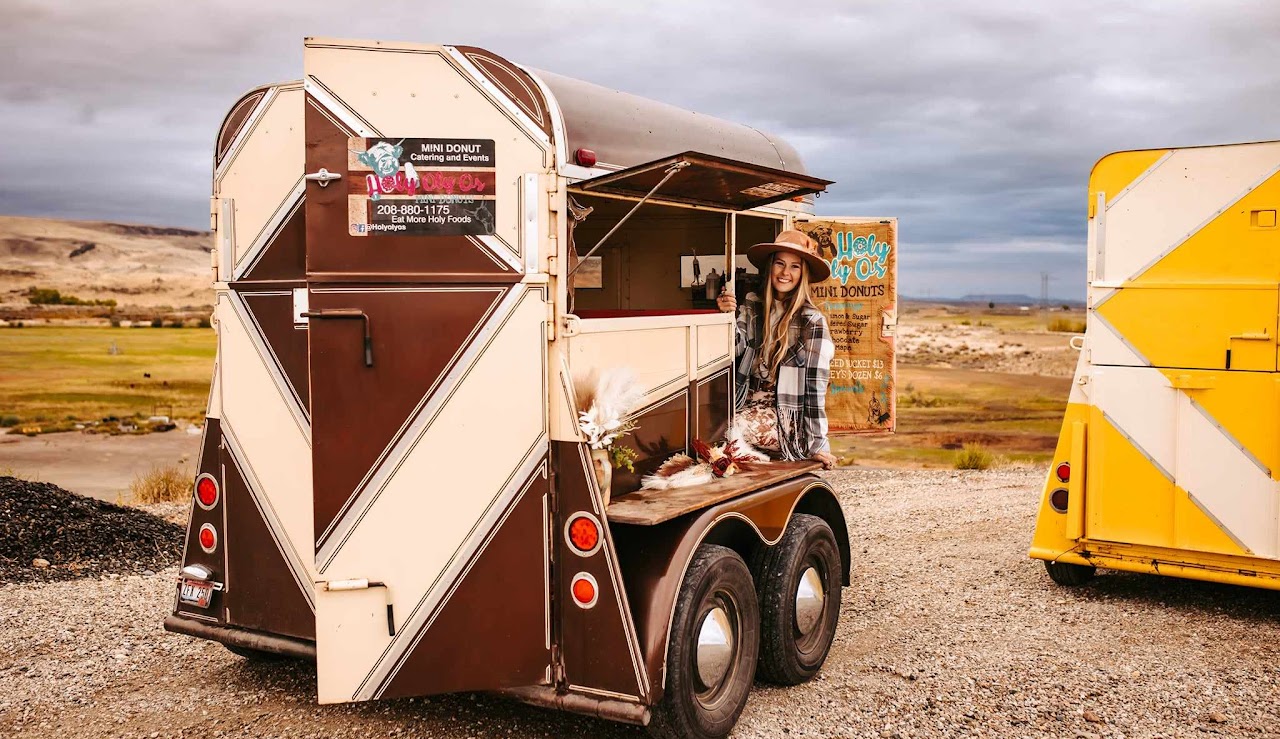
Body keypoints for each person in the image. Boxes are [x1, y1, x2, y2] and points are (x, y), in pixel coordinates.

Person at [717, 230, 837, 469]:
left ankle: (763, 463)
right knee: (709, 426)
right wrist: (726, 316)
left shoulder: (812, 322)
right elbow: (736, 347)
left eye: (795, 267)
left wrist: (818, 444)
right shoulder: (753, 304)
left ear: (802, 274)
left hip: (785, 417)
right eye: (780, 263)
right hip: (744, 403)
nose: (785, 273)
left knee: (729, 429)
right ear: (770, 267)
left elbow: (815, 386)